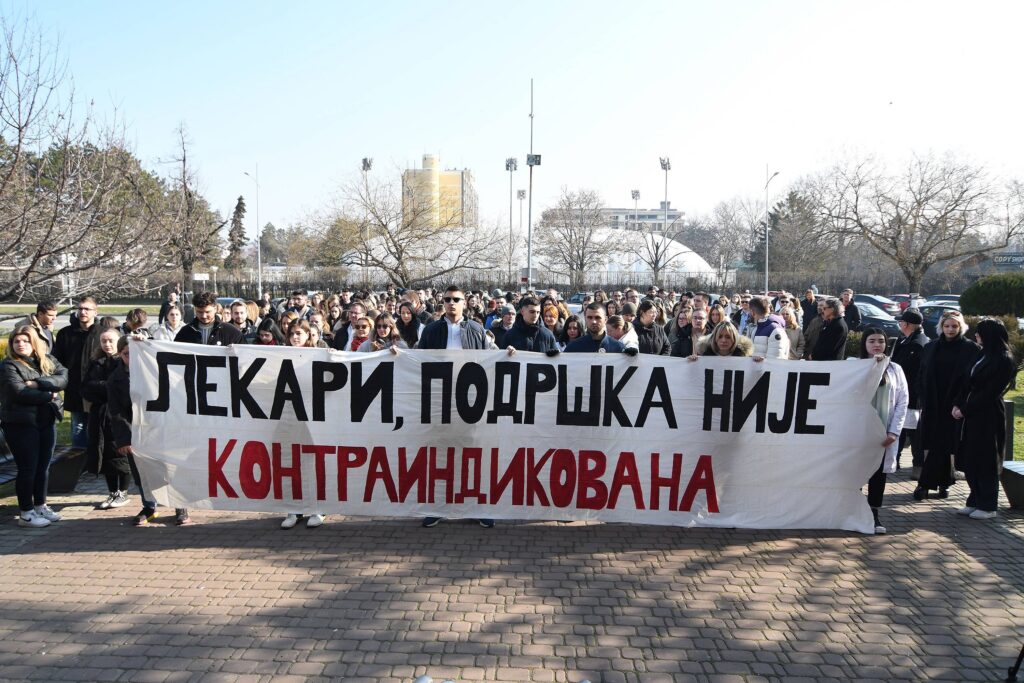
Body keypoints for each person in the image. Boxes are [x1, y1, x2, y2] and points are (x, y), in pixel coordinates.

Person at [417, 285, 493, 529]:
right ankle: (438, 507)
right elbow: (418, 361)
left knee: (473, 452)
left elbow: (488, 361)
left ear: (464, 302)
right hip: (440, 399)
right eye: (448, 299)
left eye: (456, 299)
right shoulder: (431, 330)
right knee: (441, 452)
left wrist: (508, 354)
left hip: (470, 399)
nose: (451, 303)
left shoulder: (476, 329)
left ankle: (479, 506)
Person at [0, 326, 69, 528]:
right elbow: (18, 393)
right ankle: (26, 512)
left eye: (25, 341)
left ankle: (40, 505)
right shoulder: (8, 366)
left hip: (45, 420)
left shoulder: (47, 360)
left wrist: (37, 383)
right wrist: (49, 394)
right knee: (28, 468)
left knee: (43, 467)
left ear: (34, 343)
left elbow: (63, 378)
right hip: (20, 424)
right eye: (16, 341)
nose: (20, 344)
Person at [952, 319, 1016, 520]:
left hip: (987, 415)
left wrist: (966, 409)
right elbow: (966, 381)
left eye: (979, 333)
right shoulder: (982, 354)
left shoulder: (1003, 359)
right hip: (969, 411)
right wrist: (957, 403)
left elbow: (989, 392)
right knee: (970, 457)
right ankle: (974, 499)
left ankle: (988, 504)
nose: (976, 336)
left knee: (985, 458)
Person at [915, 310, 979, 501]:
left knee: (942, 445)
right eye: (947, 326)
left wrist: (961, 402)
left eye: (954, 326)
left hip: (954, 405)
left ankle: (925, 484)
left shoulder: (971, 349)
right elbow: (921, 373)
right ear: (941, 327)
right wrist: (921, 395)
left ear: (961, 327)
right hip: (932, 402)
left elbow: (971, 379)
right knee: (936, 444)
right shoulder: (931, 346)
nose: (950, 329)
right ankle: (944, 483)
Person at [857, 327, 909, 535]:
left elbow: (902, 401)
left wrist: (894, 432)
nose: (877, 344)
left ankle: (874, 513)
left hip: (883, 432)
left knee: (878, 475)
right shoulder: (854, 366)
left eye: (880, 341)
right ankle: (854, 511)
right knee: (856, 473)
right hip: (859, 431)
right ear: (864, 344)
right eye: (871, 341)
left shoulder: (895, 369)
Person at [279, 322, 326, 529]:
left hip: (314, 420)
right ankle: (295, 509)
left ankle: (318, 508)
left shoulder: (320, 355)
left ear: (309, 335)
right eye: (291, 334)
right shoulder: (279, 356)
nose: (295, 337)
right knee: (292, 464)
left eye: (299, 333)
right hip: (290, 417)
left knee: (314, 465)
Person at [81, 327, 132, 509]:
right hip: (99, 414)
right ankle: (112, 491)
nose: (107, 344)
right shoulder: (96, 363)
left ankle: (123, 490)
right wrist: (106, 388)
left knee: (121, 453)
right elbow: (86, 388)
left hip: (118, 414)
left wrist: (106, 388)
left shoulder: (124, 361)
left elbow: (121, 389)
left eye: (111, 340)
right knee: (104, 453)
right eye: (103, 341)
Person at [53, 296, 98, 449]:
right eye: (80, 309)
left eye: (87, 309)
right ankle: (77, 464)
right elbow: (57, 361)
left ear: (95, 312)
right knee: (78, 427)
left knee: (96, 428)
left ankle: (94, 466)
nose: (83, 312)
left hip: (97, 389)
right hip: (74, 388)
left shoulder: (102, 334)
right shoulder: (65, 334)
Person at [890, 308, 929, 475]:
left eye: (901, 322)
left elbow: (911, 371)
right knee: (902, 428)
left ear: (908, 325)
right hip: (902, 391)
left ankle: (918, 464)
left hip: (912, 394)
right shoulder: (905, 340)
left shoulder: (918, 343)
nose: (899, 324)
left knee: (913, 432)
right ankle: (896, 459)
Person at [748, 296, 790, 360]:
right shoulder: (756, 328)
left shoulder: (775, 330)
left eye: (750, 311)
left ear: (753, 312)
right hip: (758, 369)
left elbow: (776, 360)